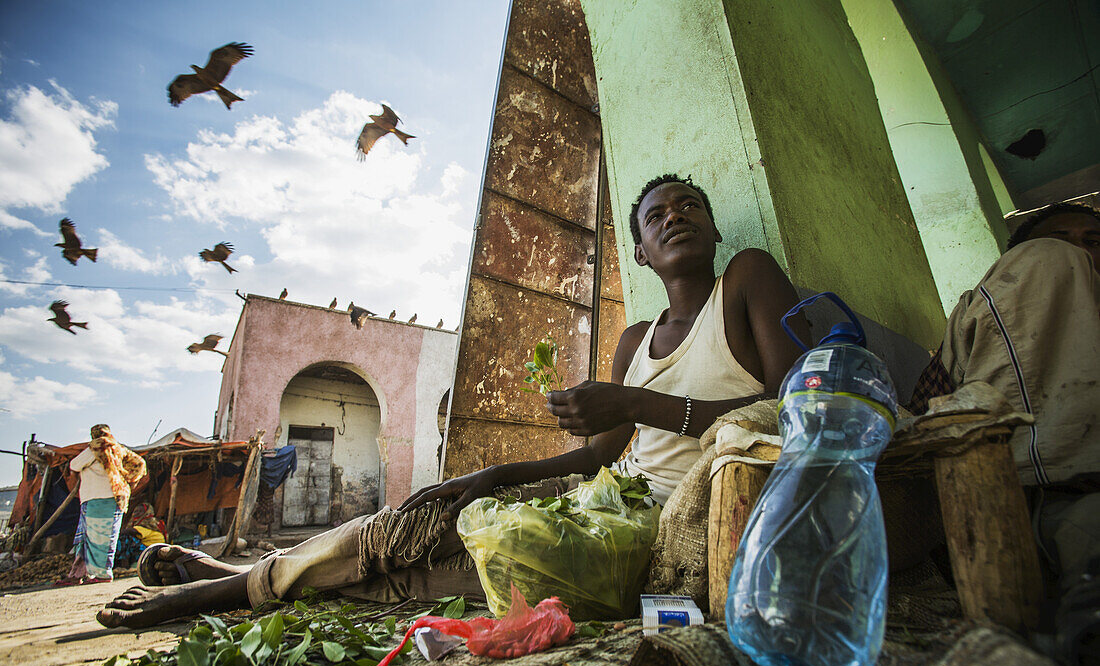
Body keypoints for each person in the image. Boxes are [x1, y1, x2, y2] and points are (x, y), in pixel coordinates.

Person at [97, 173, 808, 627]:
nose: (675, 216)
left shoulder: (745, 281)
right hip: (602, 509)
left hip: (651, 544)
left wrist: (638, 404)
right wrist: (492, 476)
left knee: (414, 575)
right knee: (414, 528)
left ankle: (221, 588)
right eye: (657, 215)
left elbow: (794, 409)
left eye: (691, 207)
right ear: (643, 254)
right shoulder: (635, 341)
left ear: (715, 231)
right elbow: (598, 456)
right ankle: (242, 577)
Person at [908, 201, 1100, 666]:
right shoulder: (1008, 292)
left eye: (1093, 243)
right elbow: (922, 414)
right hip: (1009, 497)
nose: (1079, 252)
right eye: (1062, 238)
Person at [58, 424, 147, 585]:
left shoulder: (97, 447)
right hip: (115, 498)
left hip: (97, 498)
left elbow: (74, 465)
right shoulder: (119, 449)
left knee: (96, 538)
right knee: (103, 536)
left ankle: (101, 574)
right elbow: (140, 464)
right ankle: (83, 572)